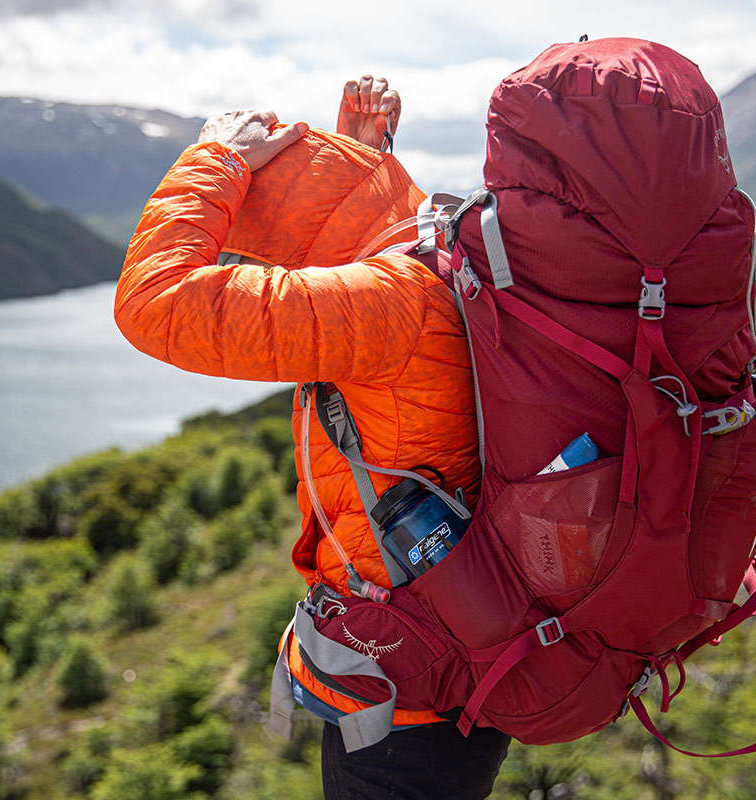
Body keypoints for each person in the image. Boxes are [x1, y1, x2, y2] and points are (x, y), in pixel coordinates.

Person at [115, 76, 510, 799]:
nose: (267, 265)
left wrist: (216, 162)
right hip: (471, 631)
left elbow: (155, 302)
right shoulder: (438, 261)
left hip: (407, 681)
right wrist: (357, 168)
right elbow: (352, 247)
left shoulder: (383, 305)